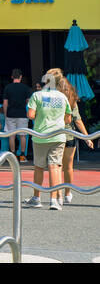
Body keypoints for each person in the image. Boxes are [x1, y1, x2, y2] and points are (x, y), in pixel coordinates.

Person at [25, 70, 70, 210]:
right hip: (58, 135)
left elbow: (30, 115)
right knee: (55, 166)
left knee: (39, 167)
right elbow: (68, 118)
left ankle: (37, 198)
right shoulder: (63, 97)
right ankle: (54, 200)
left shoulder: (37, 95)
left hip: (40, 136)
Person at [51, 68, 93, 204]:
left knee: (56, 166)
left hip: (55, 135)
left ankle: (58, 195)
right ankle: (68, 193)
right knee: (68, 167)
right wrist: (87, 137)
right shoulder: (72, 98)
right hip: (70, 136)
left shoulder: (53, 98)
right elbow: (78, 119)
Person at [1, 69, 32, 162]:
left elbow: (5, 103)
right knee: (23, 136)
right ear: (21, 77)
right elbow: (28, 102)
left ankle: (13, 155)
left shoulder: (7, 88)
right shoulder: (26, 88)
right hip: (22, 114)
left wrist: (6, 114)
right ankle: (22, 156)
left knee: (12, 135)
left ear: (12, 77)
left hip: (11, 114)